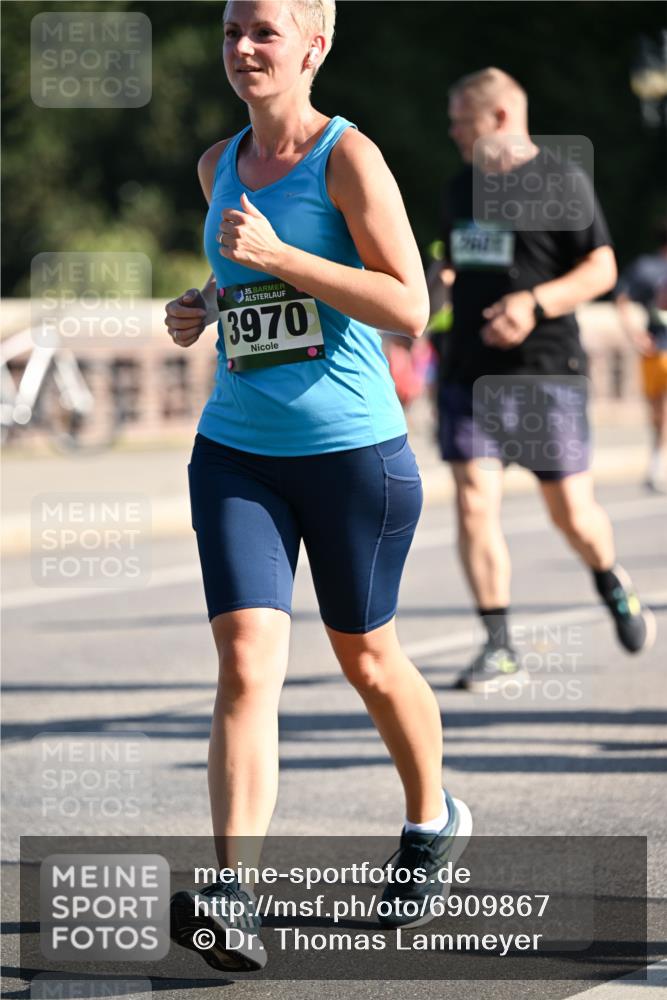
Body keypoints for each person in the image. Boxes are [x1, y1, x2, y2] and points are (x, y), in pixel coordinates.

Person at [165, 0, 472, 973]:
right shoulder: (217, 166)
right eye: (229, 33)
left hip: (352, 457)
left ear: (314, 45)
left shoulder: (348, 157)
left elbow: (409, 305)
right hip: (235, 451)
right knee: (248, 663)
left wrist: (283, 256)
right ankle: (231, 896)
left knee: (368, 660)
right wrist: (204, 303)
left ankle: (432, 818)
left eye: (263, 31)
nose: (243, 49)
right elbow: (245, 282)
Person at [435, 67, 656, 694]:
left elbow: (602, 268)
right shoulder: (457, 190)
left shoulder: (561, 180)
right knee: (475, 501)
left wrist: (533, 304)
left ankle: (610, 576)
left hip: (544, 375)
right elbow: (450, 264)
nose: (452, 131)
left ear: (500, 118)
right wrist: (419, 300)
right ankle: (500, 643)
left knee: (573, 516)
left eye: (462, 120)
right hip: (468, 375)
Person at [615, 223, 667, 492]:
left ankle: (658, 465)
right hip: (658, 349)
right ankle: (658, 464)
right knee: (660, 414)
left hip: (655, 350)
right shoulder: (648, 267)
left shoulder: (646, 267)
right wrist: (635, 335)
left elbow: (620, 299)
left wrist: (634, 334)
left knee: (660, 414)